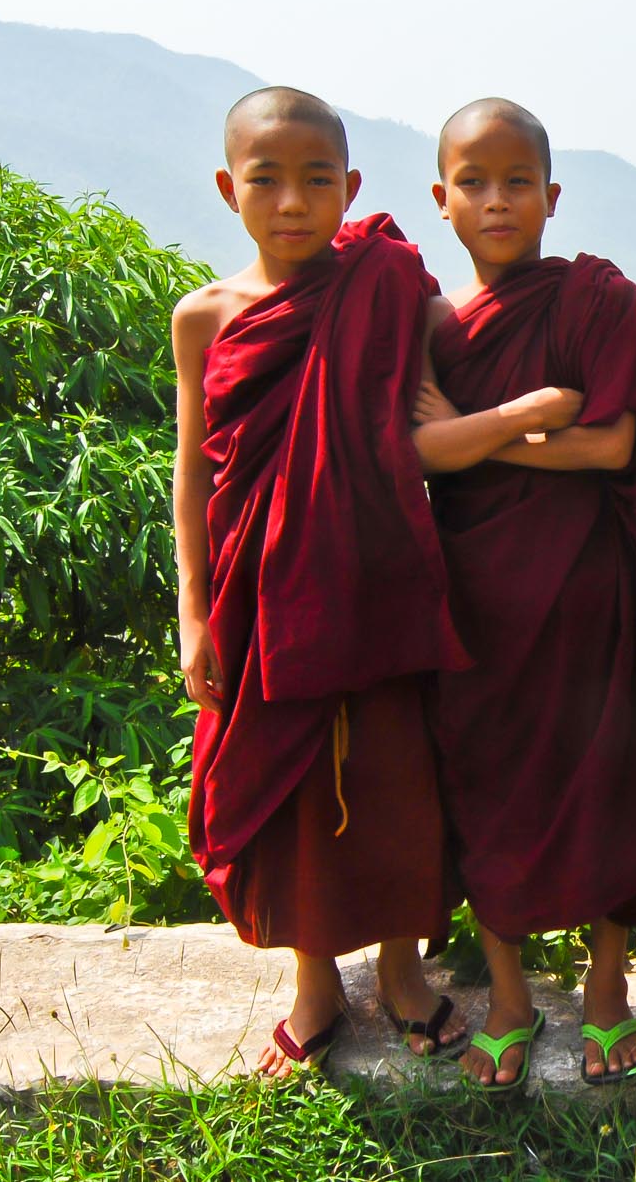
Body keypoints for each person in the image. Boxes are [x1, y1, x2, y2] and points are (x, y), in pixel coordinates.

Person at [173, 87, 515, 1073]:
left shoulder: (388, 284)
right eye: (267, 180)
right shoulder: (204, 318)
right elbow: (192, 468)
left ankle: (403, 971)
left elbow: (446, 395)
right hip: (257, 589)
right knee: (281, 794)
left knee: (396, 780)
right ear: (228, 186)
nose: (291, 202)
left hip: (381, 576)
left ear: (350, 187)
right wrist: (194, 609)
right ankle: (316, 983)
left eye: (316, 180)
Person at [411, 98, 636, 1090]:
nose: (496, 199)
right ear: (440, 199)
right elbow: (414, 452)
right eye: (472, 181)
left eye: (517, 181)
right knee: (483, 778)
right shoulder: (432, 324)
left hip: (592, 583)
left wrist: (478, 429)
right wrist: (527, 414)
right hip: (474, 588)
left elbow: (612, 443)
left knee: (609, 778)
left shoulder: (597, 297)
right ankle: (509, 994)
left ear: (552, 197)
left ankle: (606, 989)